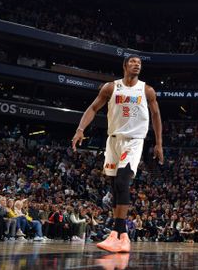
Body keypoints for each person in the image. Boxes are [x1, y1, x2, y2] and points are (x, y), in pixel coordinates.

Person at [72, 56, 163, 253]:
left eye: (139, 62)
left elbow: (156, 115)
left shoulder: (147, 90)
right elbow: (93, 108)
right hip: (113, 140)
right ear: (124, 66)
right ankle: (122, 237)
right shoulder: (110, 87)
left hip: (134, 140)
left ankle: (116, 232)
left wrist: (158, 143)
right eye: (132, 62)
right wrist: (80, 129)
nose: (137, 64)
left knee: (123, 182)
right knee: (114, 186)